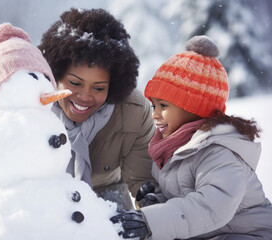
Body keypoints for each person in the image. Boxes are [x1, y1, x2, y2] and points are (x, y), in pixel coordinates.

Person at [0, 8, 157, 211]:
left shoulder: (132, 111)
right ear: (56, 74)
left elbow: (144, 180)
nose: (85, 96)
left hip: (108, 192)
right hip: (41, 195)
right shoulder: (31, 100)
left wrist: (148, 213)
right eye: (75, 83)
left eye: (98, 88)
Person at [110, 35, 272, 239]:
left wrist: (151, 220)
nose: (154, 114)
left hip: (250, 233)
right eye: (154, 105)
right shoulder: (172, 147)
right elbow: (183, 199)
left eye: (164, 106)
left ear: (194, 109)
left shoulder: (220, 152)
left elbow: (210, 206)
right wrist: (155, 200)